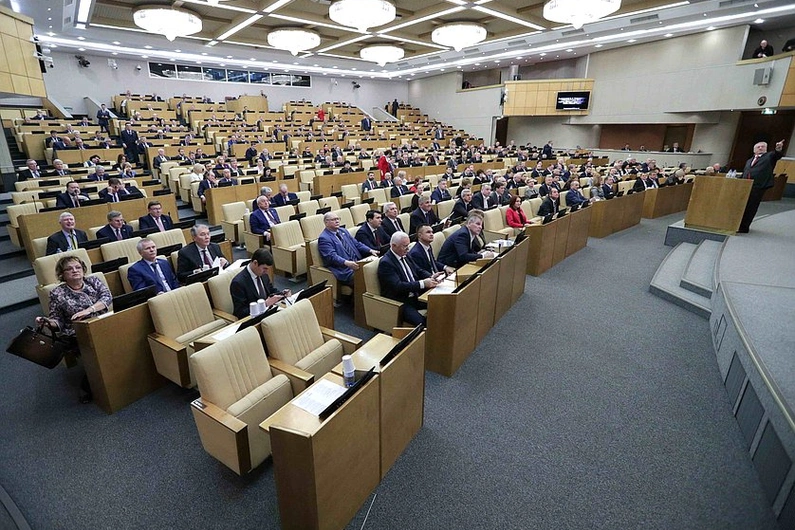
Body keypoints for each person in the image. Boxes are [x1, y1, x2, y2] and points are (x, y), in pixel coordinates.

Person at [35, 255, 112, 403]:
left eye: (78, 267)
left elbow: (107, 297)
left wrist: (89, 310)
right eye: (69, 269)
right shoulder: (57, 293)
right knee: (98, 349)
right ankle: (87, 386)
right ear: (62, 274)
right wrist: (47, 323)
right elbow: (57, 320)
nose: (75, 270)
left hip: (102, 322)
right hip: (77, 332)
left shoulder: (93, 281)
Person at [377, 231, 439, 326]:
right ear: (394, 246)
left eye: (408, 246)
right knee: (421, 323)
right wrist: (423, 283)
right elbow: (398, 286)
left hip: (415, 295)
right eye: (405, 246)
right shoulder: (386, 263)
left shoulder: (405, 254)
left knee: (440, 305)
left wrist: (430, 276)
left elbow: (417, 270)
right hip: (401, 301)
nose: (408, 249)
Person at [317, 212, 378, 286]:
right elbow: (331, 256)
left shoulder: (343, 231)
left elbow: (356, 243)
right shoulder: (324, 238)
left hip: (358, 262)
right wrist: (346, 263)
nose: (337, 221)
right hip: (345, 270)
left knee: (376, 269)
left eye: (338, 219)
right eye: (333, 219)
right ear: (326, 222)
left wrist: (370, 250)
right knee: (369, 276)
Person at [739, 139, 785, 233]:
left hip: (758, 186)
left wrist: (778, 148)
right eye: (758, 147)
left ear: (766, 149)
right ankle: (737, 223)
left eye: (762, 147)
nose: (760, 148)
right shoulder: (749, 160)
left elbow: (777, 154)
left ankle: (744, 227)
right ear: (754, 150)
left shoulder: (769, 156)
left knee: (751, 207)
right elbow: (746, 172)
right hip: (745, 186)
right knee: (742, 205)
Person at [229, 248, 288, 319]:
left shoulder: (263, 274)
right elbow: (241, 312)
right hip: (252, 319)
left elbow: (271, 290)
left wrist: (283, 294)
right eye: (264, 268)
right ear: (255, 263)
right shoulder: (238, 283)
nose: (266, 271)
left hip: (268, 313)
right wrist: (264, 304)